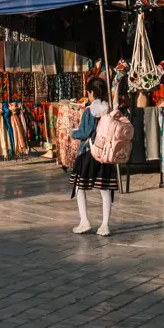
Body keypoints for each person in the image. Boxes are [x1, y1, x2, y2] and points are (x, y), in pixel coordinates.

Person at [69, 77, 117, 236]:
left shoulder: (90, 110)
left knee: (79, 186)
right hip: (106, 154)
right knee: (105, 189)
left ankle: (84, 221)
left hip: (89, 153)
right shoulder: (110, 109)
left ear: (91, 92)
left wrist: (72, 132)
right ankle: (105, 225)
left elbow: (84, 132)